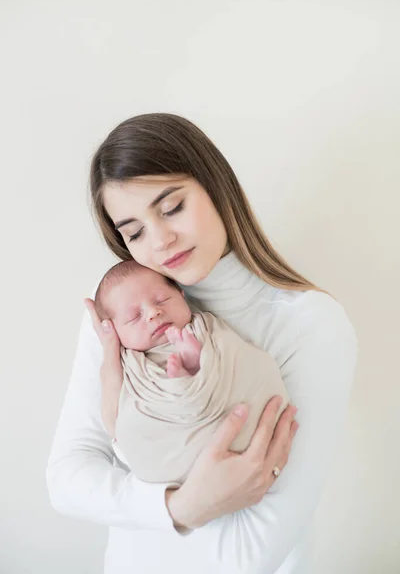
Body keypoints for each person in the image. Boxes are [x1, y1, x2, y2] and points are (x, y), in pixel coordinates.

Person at [46, 113, 358, 574]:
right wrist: (181, 506)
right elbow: (66, 479)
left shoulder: (310, 325)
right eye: (133, 232)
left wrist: (138, 501)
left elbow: (250, 552)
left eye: (171, 207)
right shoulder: (126, 314)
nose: (160, 239)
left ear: (215, 185)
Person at [93, 259, 290, 484]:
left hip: (249, 428)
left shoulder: (207, 328)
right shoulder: (128, 366)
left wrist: (207, 364)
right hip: (178, 453)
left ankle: (195, 368)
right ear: (115, 331)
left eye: (162, 299)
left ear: (181, 295)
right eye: (134, 317)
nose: (153, 313)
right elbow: (129, 428)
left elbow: (242, 361)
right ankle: (184, 378)